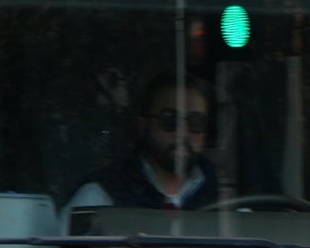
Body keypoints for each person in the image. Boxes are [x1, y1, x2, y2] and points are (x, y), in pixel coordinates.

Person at [67, 74, 227, 213]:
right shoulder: (99, 197)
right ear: (144, 126)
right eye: (169, 119)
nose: (183, 133)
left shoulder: (224, 199)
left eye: (196, 121)